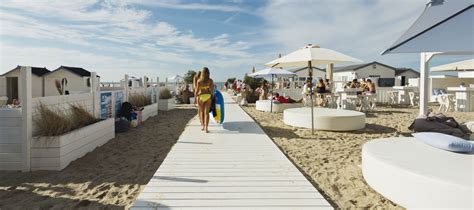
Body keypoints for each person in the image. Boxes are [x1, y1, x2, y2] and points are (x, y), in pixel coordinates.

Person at [196, 67, 214, 133]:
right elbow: (212, 90)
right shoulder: (210, 80)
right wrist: (212, 96)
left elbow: (196, 91)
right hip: (208, 97)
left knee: (202, 112)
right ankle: (206, 128)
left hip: (201, 97)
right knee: (207, 113)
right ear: (208, 73)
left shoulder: (199, 81)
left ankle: (203, 126)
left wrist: (196, 98)